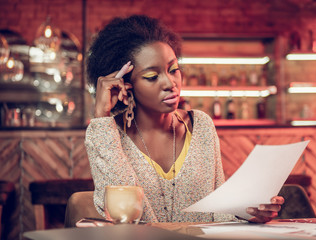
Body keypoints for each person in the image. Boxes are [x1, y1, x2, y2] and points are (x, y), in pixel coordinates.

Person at [85, 15, 284, 223]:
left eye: (173, 70)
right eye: (152, 77)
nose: (170, 83)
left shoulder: (202, 126)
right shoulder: (106, 136)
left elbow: (218, 213)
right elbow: (122, 216)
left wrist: (246, 212)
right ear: (125, 84)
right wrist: (101, 117)